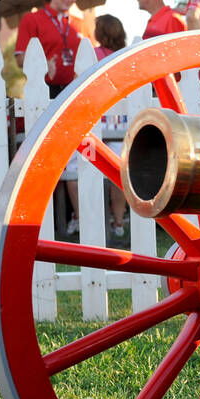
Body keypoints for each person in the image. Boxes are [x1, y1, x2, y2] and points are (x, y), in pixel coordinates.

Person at [15, 0, 91, 97]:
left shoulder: (80, 24)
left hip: (75, 90)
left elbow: (90, 58)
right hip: (43, 90)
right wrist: (44, 63)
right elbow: (20, 59)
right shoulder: (32, 19)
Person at [94, 13, 131, 238]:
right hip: (122, 120)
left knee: (93, 170)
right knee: (119, 174)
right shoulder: (125, 55)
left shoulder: (94, 54)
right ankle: (118, 222)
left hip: (100, 117)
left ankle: (92, 220)